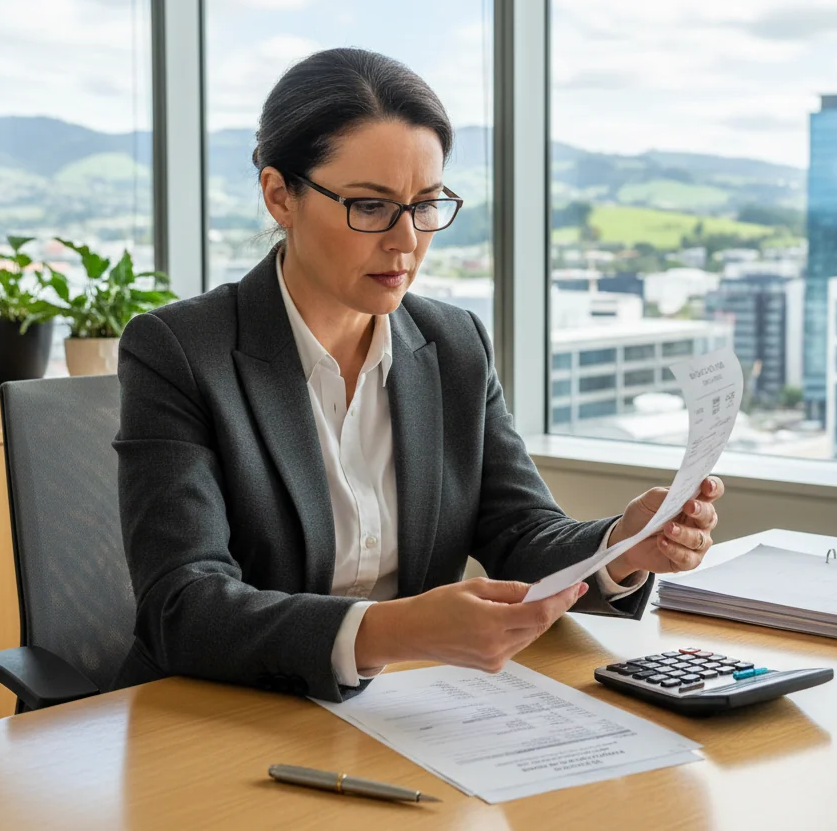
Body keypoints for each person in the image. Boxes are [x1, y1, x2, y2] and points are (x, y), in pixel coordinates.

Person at [112, 47, 725, 703]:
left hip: (405, 714)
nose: (407, 241)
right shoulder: (180, 351)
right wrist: (392, 631)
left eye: (427, 205)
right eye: (371, 207)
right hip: (219, 719)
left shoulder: (452, 343)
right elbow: (184, 605)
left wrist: (621, 545)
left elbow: (520, 531)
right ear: (279, 195)